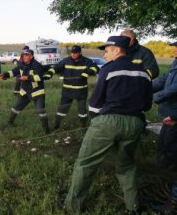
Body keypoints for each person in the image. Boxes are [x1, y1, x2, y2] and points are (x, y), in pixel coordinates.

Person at [64, 36, 153, 214]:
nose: (104, 55)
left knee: (85, 163)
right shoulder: (143, 71)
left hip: (108, 122)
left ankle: (72, 207)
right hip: (135, 123)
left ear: (117, 50)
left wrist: (97, 120)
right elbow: (147, 105)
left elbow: (95, 103)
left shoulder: (108, 69)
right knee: (126, 166)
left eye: (107, 50)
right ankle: (132, 208)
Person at [44, 45, 99, 129]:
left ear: (80, 53)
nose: (73, 55)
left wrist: (88, 72)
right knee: (62, 110)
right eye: (72, 53)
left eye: (75, 53)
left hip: (81, 91)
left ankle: (83, 126)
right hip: (67, 91)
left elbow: (96, 68)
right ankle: (56, 125)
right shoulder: (66, 61)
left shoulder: (86, 61)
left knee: (82, 111)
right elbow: (56, 68)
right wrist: (49, 73)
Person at [0, 49, 50, 134]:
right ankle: (9, 122)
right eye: (23, 55)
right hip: (25, 91)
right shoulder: (21, 64)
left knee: (41, 111)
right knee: (16, 108)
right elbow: (13, 72)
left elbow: (40, 78)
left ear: (31, 56)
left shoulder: (37, 65)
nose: (24, 57)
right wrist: (4, 75)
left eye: (26, 55)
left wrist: (28, 77)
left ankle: (46, 131)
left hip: (37, 92)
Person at [152, 41, 177, 214]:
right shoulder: (176, 62)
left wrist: (155, 97)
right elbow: (165, 78)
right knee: (167, 148)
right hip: (172, 115)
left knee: (171, 151)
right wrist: (144, 86)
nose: (174, 49)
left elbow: (174, 88)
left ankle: (172, 205)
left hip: (174, 117)